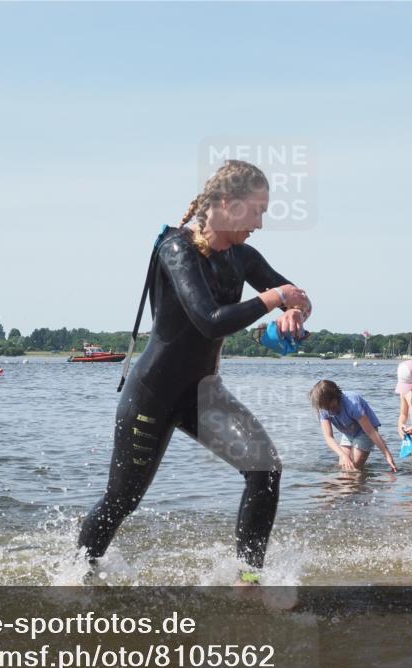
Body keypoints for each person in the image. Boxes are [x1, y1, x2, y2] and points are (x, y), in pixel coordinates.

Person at [78, 160, 312, 583]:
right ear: (227, 204)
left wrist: (293, 309)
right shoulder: (176, 250)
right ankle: (74, 575)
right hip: (152, 392)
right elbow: (210, 319)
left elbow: (294, 294)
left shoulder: (243, 257)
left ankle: (249, 580)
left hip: (201, 392)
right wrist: (275, 299)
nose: (260, 222)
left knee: (265, 468)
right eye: (257, 209)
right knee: (122, 499)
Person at [309, 379, 397, 472]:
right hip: (348, 433)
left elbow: (371, 432)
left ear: (336, 396)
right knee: (344, 467)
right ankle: (359, 482)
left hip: (365, 432)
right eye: (326, 408)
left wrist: (387, 454)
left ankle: (359, 481)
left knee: (353, 467)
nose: (329, 411)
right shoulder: (324, 408)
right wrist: (343, 455)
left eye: (331, 407)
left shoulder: (352, 403)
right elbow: (328, 437)